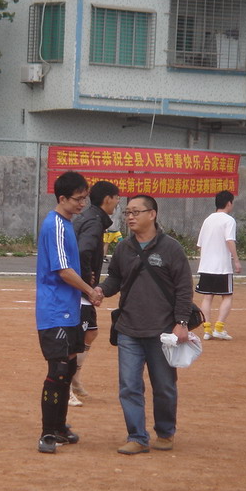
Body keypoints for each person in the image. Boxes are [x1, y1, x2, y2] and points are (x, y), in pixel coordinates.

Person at [96, 195, 194, 455]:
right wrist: (101, 290)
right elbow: (115, 279)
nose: (130, 217)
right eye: (127, 212)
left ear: (152, 214)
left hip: (162, 331)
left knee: (164, 386)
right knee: (129, 386)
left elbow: (184, 288)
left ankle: (165, 432)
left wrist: (181, 322)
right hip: (128, 329)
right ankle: (137, 436)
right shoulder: (123, 248)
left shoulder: (171, 248)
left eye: (136, 212)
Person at [35, 171, 102, 454]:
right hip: (55, 310)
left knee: (69, 366)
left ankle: (60, 427)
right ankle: (48, 432)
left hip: (69, 309)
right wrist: (90, 290)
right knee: (59, 369)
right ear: (62, 198)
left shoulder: (66, 224)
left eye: (84, 198)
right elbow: (63, 270)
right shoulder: (56, 225)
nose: (82, 203)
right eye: (77, 199)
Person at [69, 180, 120, 407]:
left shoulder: (93, 218)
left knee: (91, 332)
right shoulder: (93, 221)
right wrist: (87, 282)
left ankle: (74, 379)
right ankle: (65, 385)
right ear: (107, 199)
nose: (118, 203)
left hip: (80, 288)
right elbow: (83, 251)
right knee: (76, 338)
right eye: (117, 198)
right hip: (78, 289)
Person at [195, 190, 242, 340]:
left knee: (207, 297)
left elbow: (200, 244)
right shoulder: (229, 220)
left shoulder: (208, 220)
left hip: (206, 266)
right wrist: (236, 260)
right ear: (229, 203)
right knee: (227, 296)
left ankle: (207, 329)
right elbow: (230, 240)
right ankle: (219, 328)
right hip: (222, 266)